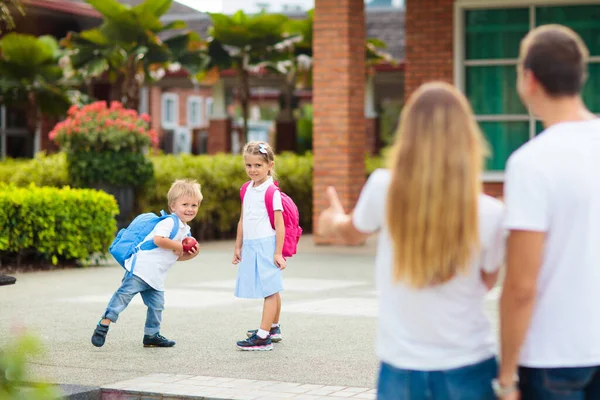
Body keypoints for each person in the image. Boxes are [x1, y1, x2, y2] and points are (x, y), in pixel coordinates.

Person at [318, 82, 505, 399]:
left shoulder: (383, 188)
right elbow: (486, 282)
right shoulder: (491, 213)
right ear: (467, 138)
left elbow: (352, 232)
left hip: (400, 372)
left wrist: (331, 221)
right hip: (470, 368)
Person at [496, 25, 600, 400]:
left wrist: (506, 377)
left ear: (529, 79)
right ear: (580, 77)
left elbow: (521, 286)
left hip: (553, 358)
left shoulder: (531, 163)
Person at [91, 179, 202, 348]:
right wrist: (180, 246)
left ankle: (152, 335)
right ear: (173, 206)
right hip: (141, 269)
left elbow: (174, 256)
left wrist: (190, 255)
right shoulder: (169, 222)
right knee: (123, 297)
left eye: (194, 205)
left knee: (157, 306)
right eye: (185, 204)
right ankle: (104, 324)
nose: (190, 209)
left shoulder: (185, 231)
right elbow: (159, 240)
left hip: (156, 276)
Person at [233, 141, 286, 351]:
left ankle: (263, 337)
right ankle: (273, 328)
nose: (253, 170)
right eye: (249, 165)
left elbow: (280, 225)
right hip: (251, 245)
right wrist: (238, 246)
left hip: (267, 245)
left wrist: (278, 252)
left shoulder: (271, 191)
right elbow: (242, 219)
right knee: (271, 288)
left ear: (269, 165)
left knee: (270, 290)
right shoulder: (247, 189)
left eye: (258, 165)